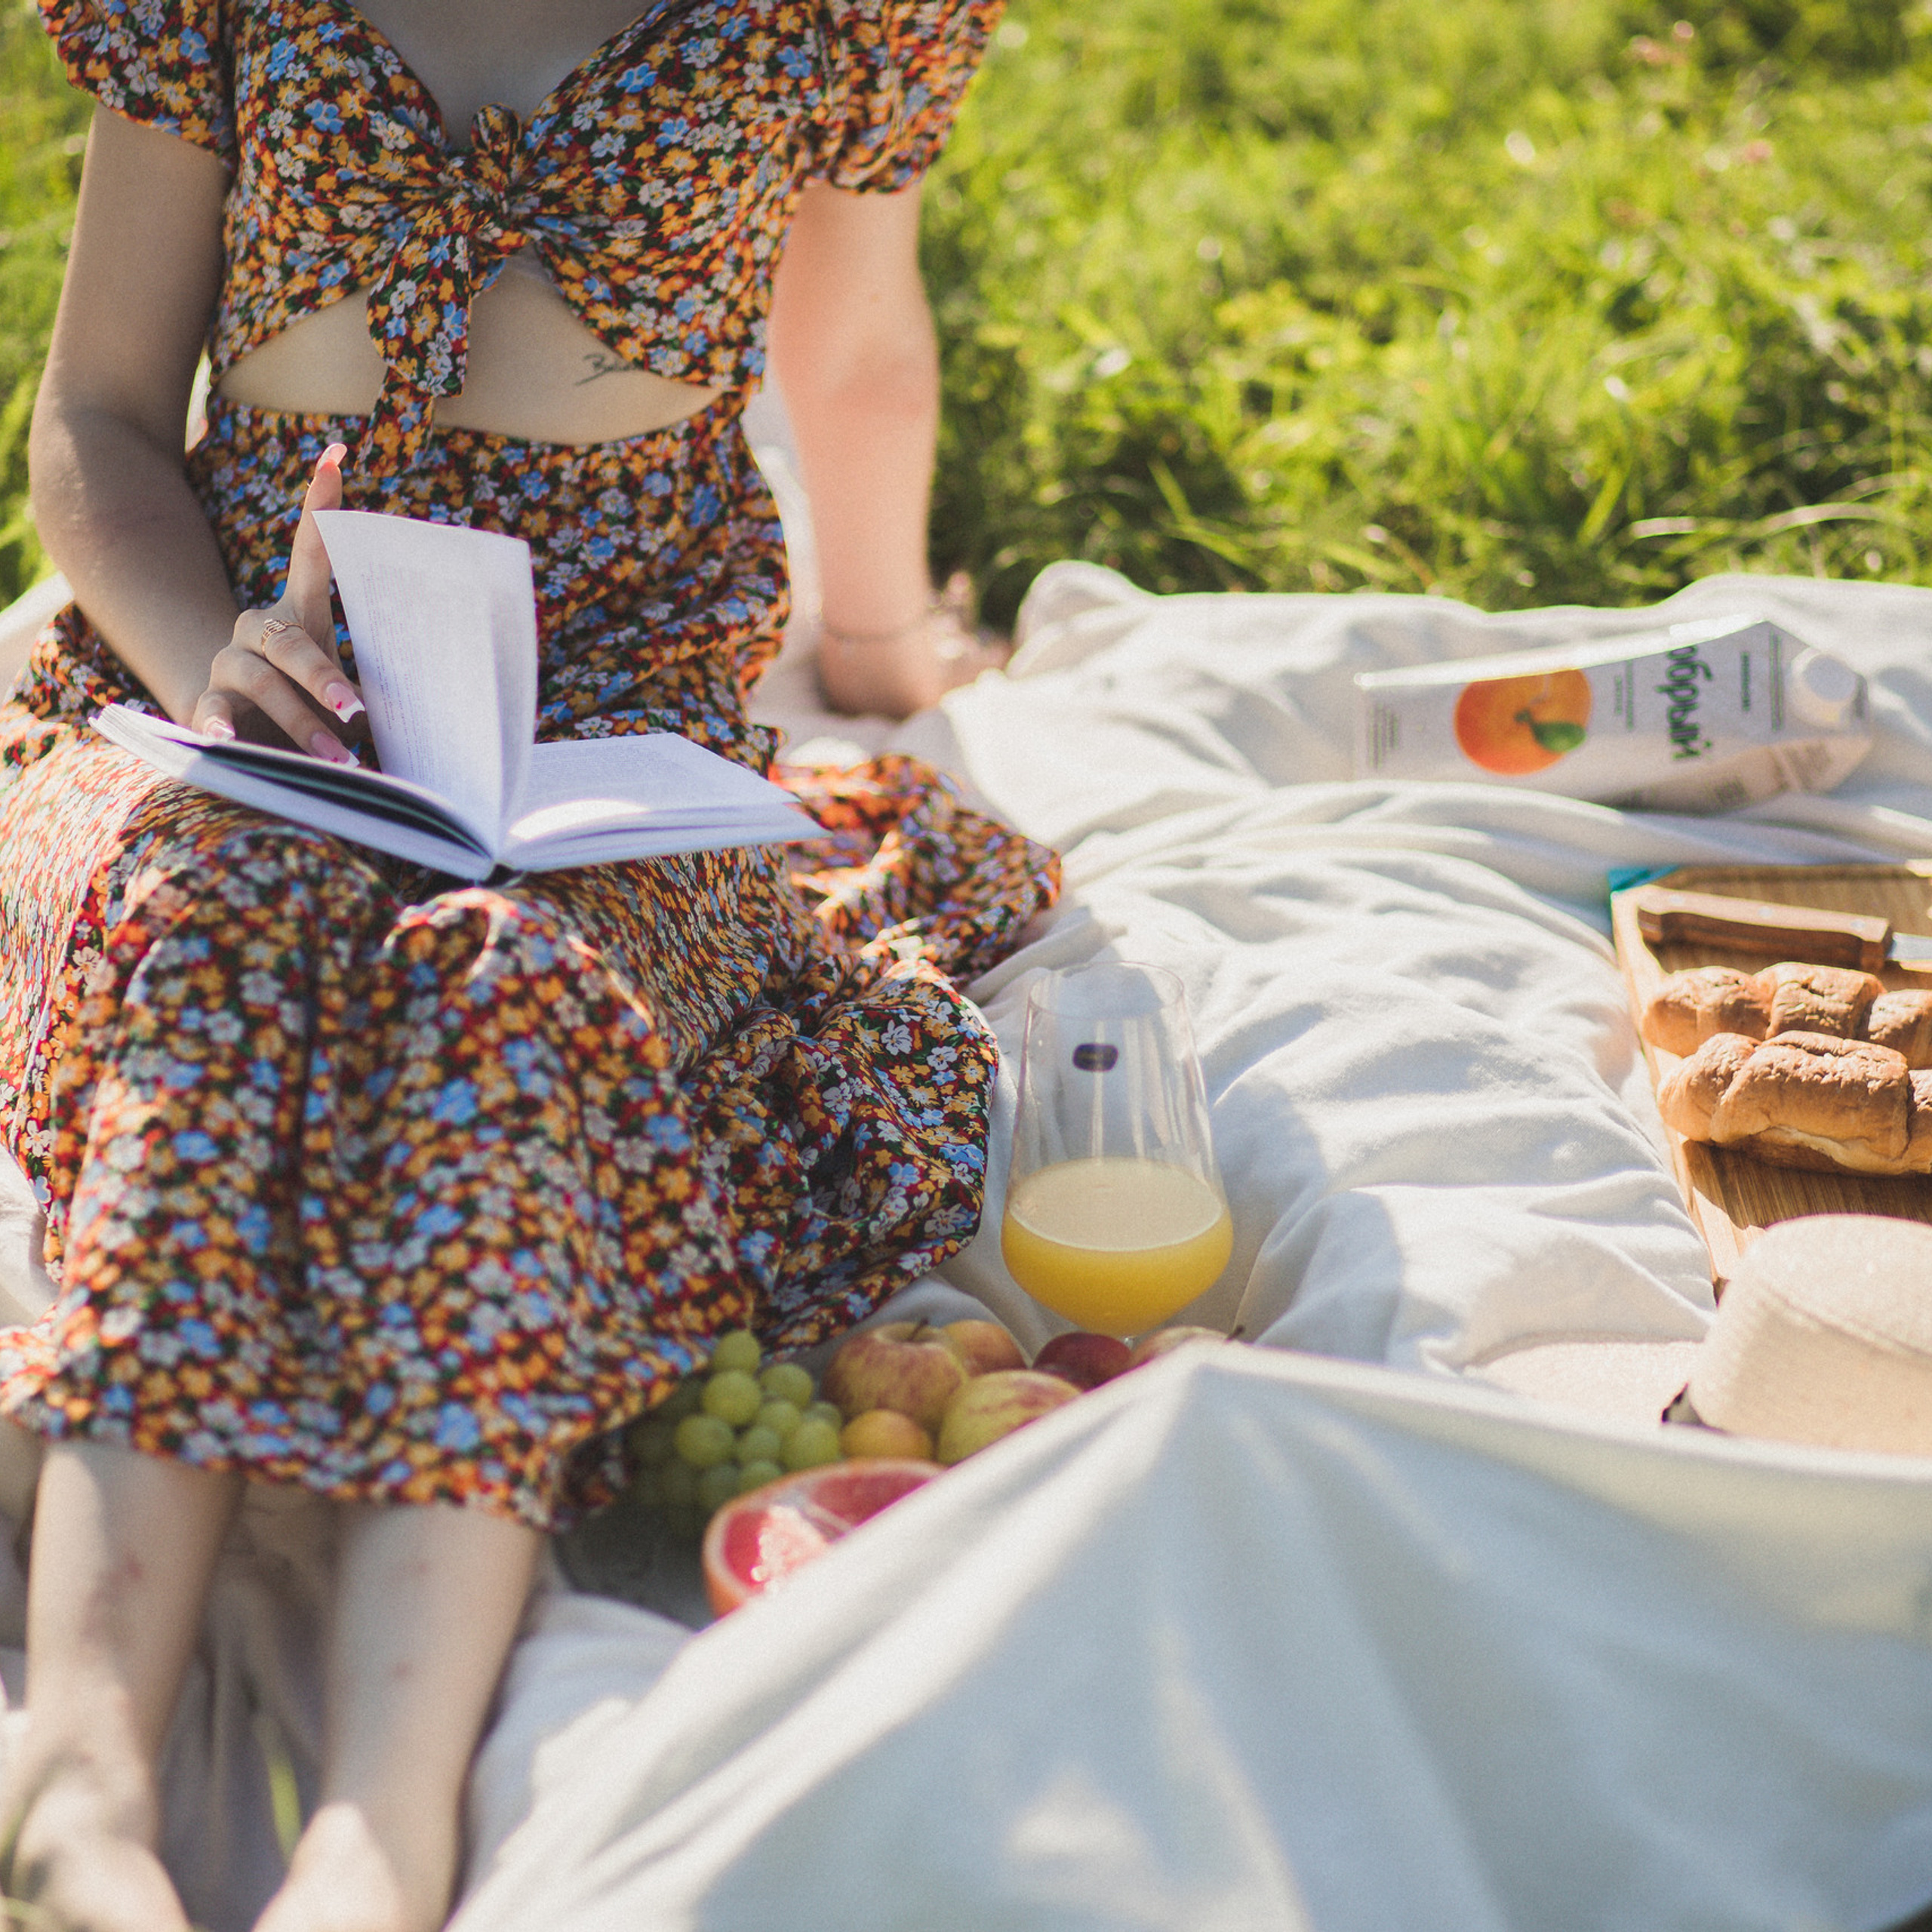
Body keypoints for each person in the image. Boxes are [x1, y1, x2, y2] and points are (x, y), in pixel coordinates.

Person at [0, 2, 1054, 1927]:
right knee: (228, 937)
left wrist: (888, 649)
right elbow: (94, 423)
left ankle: (381, 1826)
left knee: (500, 991)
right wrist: (211, 655)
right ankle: (75, 1770)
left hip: (612, 736)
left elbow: (860, 349)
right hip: (245, 672)